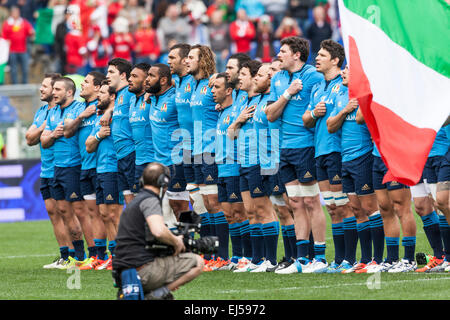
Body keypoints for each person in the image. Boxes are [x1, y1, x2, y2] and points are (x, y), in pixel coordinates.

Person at [303, 40, 370, 273]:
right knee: (332, 207)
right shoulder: (317, 88)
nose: (316, 58)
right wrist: (314, 112)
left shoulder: (344, 86)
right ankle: (340, 258)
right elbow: (307, 119)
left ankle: (349, 259)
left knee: (345, 207)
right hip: (319, 150)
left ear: (336, 60)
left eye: (321, 55)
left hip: (336, 151)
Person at [264, 36, 323, 274]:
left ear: (297, 54)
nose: (279, 54)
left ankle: (319, 257)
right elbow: (270, 114)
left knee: (311, 201)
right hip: (284, 148)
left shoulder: (313, 76)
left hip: (306, 146)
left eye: (283, 51)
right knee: (296, 203)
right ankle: (302, 259)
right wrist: (287, 93)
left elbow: (316, 110)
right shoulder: (278, 78)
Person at [112, 162, 204, 300]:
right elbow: (158, 231)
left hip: (123, 271)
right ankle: (156, 294)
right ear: (164, 182)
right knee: (197, 262)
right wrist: (177, 242)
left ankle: (152, 292)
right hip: (140, 270)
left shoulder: (136, 201)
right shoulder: (150, 200)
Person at [228, 59, 279, 272]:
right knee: (251, 211)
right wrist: (238, 121)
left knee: (264, 209)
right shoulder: (246, 100)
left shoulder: (267, 100)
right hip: (243, 161)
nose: (240, 78)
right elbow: (232, 134)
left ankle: (271, 259)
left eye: (245, 74)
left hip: (261, 161)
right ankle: (257, 259)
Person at [355, 105, 418, 273]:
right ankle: (391, 258)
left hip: (397, 153)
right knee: (384, 208)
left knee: (401, 206)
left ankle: (409, 259)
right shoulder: (376, 91)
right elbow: (359, 117)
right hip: (378, 155)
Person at [40, 76, 93, 268]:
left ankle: (95, 254)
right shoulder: (52, 112)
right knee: (64, 211)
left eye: (58, 90)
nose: (54, 93)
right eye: (53, 89)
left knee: (80, 211)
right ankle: (78, 257)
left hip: (74, 166)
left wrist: (70, 125)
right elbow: (44, 141)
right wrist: (53, 134)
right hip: (57, 168)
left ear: (69, 92)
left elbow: (71, 128)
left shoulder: (79, 108)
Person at [26, 73, 73, 269]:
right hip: (46, 170)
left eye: (46, 86)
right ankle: (64, 256)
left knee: (68, 213)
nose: (41, 89)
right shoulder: (42, 111)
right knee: (53, 212)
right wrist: (45, 127)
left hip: (62, 168)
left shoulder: (66, 111)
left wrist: (45, 130)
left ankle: (76, 255)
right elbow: (30, 138)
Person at [63, 71, 108, 269]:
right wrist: (81, 116)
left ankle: (111, 254)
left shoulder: (103, 107)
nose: (83, 85)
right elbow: (67, 131)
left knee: (107, 213)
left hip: (101, 166)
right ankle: (97, 255)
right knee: (92, 213)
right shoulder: (80, 108)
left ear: (98, 88)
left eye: (87, 83)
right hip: (85, 166)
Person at [185, 44, 223, 267]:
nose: (187, 61)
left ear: (203, 60)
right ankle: (209, 254)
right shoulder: (193, 84)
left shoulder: (213, 83)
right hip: (195, 149)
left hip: (211, 148)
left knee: (214, 202)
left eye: (191, 57)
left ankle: (222, 256)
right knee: (201, 204)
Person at [167, 43, 209, 229]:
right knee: (188, 198)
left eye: (172, 58)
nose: (168, 61)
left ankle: (210, 242)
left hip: (202, 146)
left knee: (205, 199)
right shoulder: (178, 82)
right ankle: (190, 240)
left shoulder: (198, 82)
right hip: (183, 147)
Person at [84, 80, 123, 271]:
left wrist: (110, 112)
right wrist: (99, 135)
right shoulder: (101, 117)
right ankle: (113, 256)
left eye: (102, 93)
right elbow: (89, 146)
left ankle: (122, 256)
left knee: (115, 214)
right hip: (100, 169)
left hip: (113, 169)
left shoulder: (117, 114)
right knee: (105, 214)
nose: (98, 96)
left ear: (113, 96)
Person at [211, 72, 247, 270]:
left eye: (217, 87)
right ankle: (236, 257)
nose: (213, 91)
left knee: (239, 213)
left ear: (229, 90)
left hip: (234, 166)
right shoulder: (221, 111)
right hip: (221, 167)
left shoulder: (238, 109)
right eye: (212, 87)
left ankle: (247, 256)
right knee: (228, 215)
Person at [147, 63, 190, 220]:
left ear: (163, 80)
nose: (147, 79)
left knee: (180, 205)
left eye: (151, 76)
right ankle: (178, 241)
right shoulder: (152, 97)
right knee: (168, 208)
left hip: (176, 160)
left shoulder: (175, 97)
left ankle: (190, 238)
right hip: (159, 163)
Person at [410, 128, 449, 272]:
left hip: (441, 154)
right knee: (421, 207)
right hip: (419, 154)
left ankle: (446, 257)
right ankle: (439, 256)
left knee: (442, 206)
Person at [102, 58, 136, 204]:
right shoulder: (120, 95)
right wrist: (110, 111)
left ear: (123, 75)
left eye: (111, 72)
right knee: (130, 205)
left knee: (138, 203)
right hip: (120, 156)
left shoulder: (130, 92)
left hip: (132, 154)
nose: (107, 76)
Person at [128, 63, 154, 191]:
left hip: (154, 160)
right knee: (140, 202)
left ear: (146, 81)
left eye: (134, 76)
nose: (129, 79)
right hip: (138, 160)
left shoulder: (154, 98)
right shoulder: (132, 100)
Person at [1, 5, 34, 84]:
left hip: (23, 49)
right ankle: (15, 84)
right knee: (14, 69)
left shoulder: (23, 22)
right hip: (12, 50)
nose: (16, 13)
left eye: (17, 12)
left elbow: (30, 31)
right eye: (14, 12)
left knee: (25, 68)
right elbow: (4, 36)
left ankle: (25, 83)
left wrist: (32, 32)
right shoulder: (8, 23)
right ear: (11, 13)